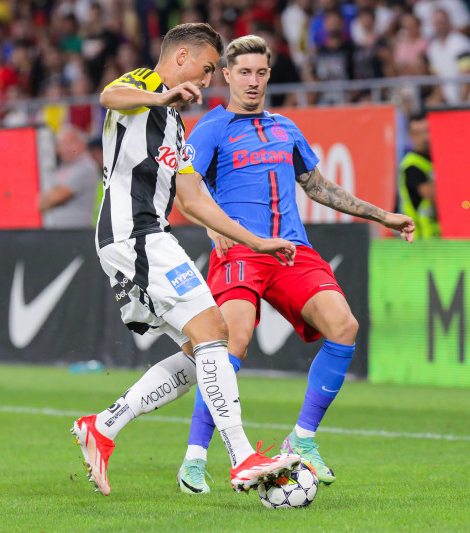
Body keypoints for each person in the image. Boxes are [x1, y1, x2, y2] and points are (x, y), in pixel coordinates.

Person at [174, 35, 415, 494]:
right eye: (243, 72)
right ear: (226, 75)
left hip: (290, 250)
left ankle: (302, 439)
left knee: (344, 326)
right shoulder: (211, 128)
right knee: (231, 343)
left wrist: (384, 215)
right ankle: (195, 459)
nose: (253, 81)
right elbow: (185, 190)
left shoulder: (285, 127)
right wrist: (212, 228)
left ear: (269, 75)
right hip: (242, 250)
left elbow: (319, 186)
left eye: (261, 73)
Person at [71, 23, 302, 497]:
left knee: (202, 347)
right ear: (181, 58)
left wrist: (252, 241)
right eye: (208, 67)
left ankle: (104, 426)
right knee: (215, 331)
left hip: (149, 234)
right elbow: (108, 97)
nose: (208, 77)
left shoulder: (175, 123)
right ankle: (242, 457)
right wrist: (161, 95)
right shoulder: (146, 85)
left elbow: (192, 198)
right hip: (133, 232)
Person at [39, 126, 100, 228]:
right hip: (57, 232)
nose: (66, 147)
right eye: (62, 143)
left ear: (82, 144)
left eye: (71, 142)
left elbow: (55, 198)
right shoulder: (63, 166)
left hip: (76, 233)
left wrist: (48, 198)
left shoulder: (86, 166)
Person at [398, 113, 439, 239]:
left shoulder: (437, 159)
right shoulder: (412, 165)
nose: (424, 137)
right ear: (411, 136)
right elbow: (434, 197)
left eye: (426, 131)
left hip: (442, 236)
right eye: (418, 133)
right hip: (423, 239)